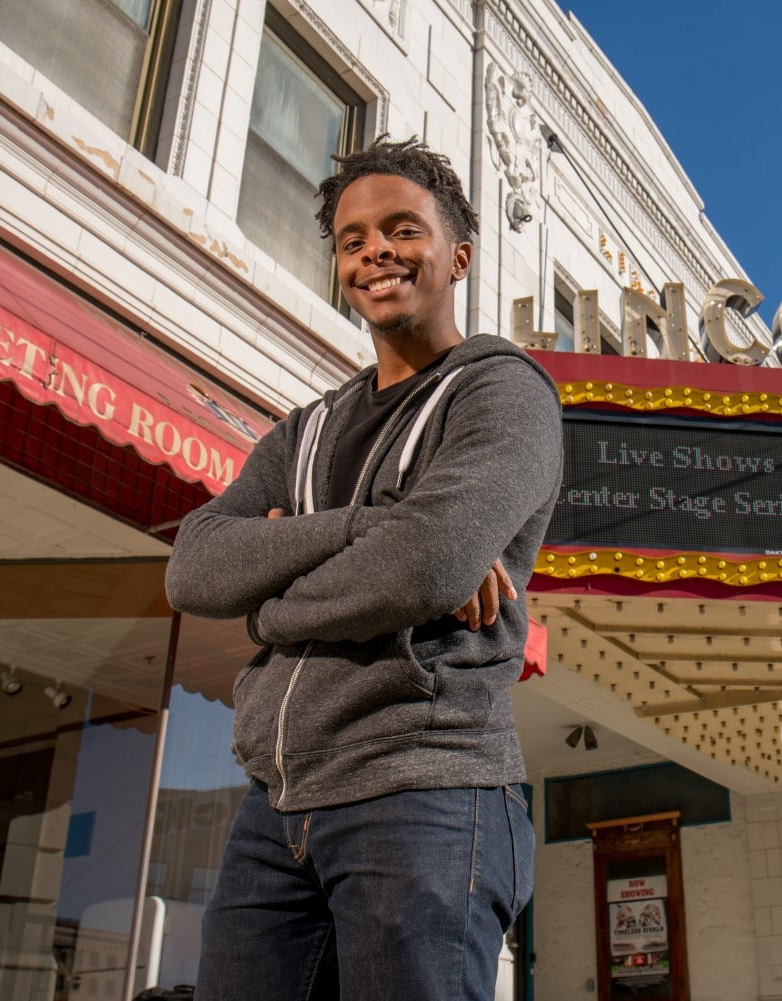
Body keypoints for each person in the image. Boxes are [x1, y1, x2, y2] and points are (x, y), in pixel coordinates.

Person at [164, 136, 564, 1001]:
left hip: (423, 789)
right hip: (276, 803)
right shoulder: (303, 430)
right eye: (352, 240)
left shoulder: (502, 392)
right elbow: (195, 567)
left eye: (401, 229)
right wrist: (366, 527)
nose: (375, 251)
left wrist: (268, 605)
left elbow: (423, 565)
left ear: (457, 255)